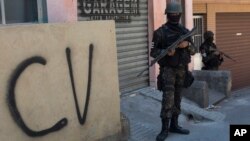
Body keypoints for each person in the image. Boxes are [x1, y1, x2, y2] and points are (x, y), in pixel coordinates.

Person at [150, 1, 195, 141]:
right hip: (168, 72)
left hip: (182, 71)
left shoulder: (185, 32)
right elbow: (153, 52)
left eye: (176, 14)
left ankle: (174, 125)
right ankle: (164, 129)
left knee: (177, 99)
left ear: (180, 15)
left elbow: (194, 50)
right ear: (167, 15)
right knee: (167, 101)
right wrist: (165, 51)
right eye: (172, 14)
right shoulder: (160, 33)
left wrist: (186, 44)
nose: (174, 16)